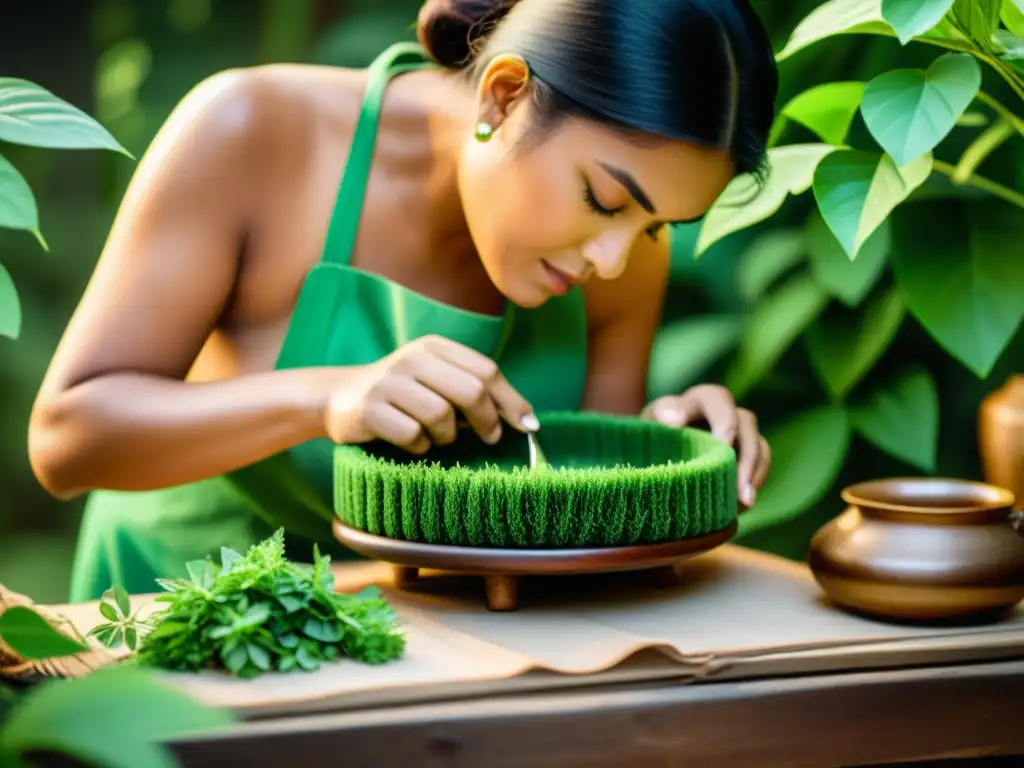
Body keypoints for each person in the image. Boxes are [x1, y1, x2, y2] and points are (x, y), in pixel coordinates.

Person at [29, 0, 778, 602]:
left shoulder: (620, 260)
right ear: (506, 93)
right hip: (185, 617)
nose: (615, 261)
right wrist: (324, 399)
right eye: (605, 198)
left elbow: (579, 537)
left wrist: (670, 455)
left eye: (658, 229)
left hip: (444, 648)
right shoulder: (254, 130)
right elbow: (66, 439)